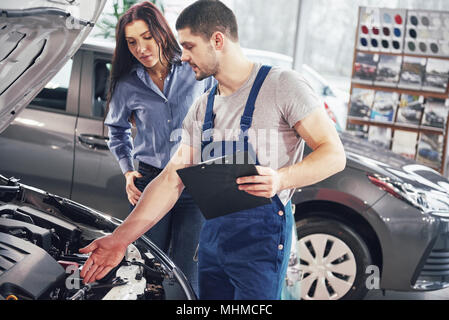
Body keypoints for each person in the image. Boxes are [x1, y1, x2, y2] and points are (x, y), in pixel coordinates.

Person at [80, 0, 346, 300]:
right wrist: (119, 239)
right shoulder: (202, 106)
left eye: (190, 46)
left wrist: (280, 180)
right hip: (213, 235)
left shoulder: (282, 85)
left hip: (261, 238)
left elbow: (334, 154)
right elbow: (171, 180)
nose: (183, 55)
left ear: (217, 40)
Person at [103, 1, 214, 294]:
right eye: (132, 42)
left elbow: (220, 112)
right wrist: (128, 171)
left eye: (147, 37)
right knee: (148, 265)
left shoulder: (195, 70)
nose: (141, 48)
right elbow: (116, 130)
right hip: (150, 180)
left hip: (194, 180)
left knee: (186, 268)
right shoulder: (127, 84)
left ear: (161, 33)